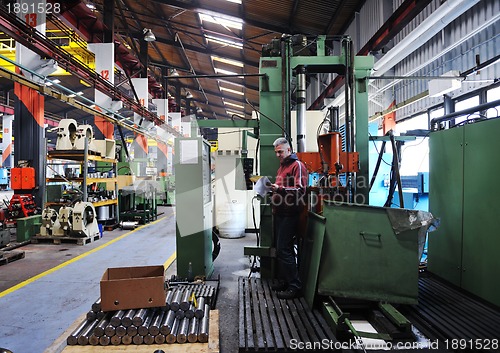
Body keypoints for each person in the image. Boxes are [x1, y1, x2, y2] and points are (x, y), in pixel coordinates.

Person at [269, 137, 307, 299]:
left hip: (290, 213)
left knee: (284, 249)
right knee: (282, 249)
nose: (278, 155)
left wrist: (280, 189)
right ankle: (286, 280)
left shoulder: (297, 166)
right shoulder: (282, 167)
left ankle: (295, 286)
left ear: (289, 150)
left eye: (280, 152)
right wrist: (272, 190)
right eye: (276, 152)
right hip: (280, 212)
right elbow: (282, 189)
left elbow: (300, 190)